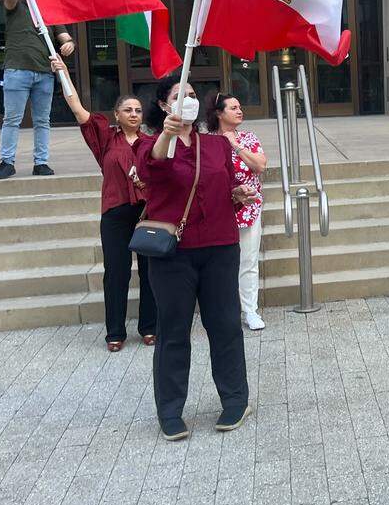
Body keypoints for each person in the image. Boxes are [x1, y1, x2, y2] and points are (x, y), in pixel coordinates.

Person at [138, 76, 258, 441]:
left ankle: (236, 399)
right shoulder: (152, 144)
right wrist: (167, 135)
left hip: (220, 247)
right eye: (178, 96)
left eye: (191, 95)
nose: (187, 101)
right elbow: (149, 169)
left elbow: (218, 185)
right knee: (173, 332)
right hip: (173, 254)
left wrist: (236, 193)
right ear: (163, 105)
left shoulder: (217, 144)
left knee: (224, 325)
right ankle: (171, 410)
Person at [50, 55, 157, 352]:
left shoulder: (152, 142)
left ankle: (149, 327)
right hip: (115, 214)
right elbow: (77, 109)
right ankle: (115, 332)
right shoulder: (106, 138)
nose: (134, 114)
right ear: (117, 114)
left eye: (137, 110)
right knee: (116, 273)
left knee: (150, 271)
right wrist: (63, 73)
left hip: (148, 214)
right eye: (128, 109)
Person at [0, 0, 75, 180]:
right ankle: (7, 162)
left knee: (42, 121)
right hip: (17, 70)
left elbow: (65, 37)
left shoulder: (49, 14)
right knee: (12, 119)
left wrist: (69, 44)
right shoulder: (15, 7)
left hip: (44, 74)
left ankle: (41, 162)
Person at [204, 91, 268, 330]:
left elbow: (260, 165)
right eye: (233, 108)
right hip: (219, 210)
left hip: (249, 208)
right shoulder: (207, 141)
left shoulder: (248, 138)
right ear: (219, 113)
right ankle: (223, 311)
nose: (239, 111)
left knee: (249, 260)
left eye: (240, 107)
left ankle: (250, 311)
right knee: (220, 263)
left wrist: (235, 145)